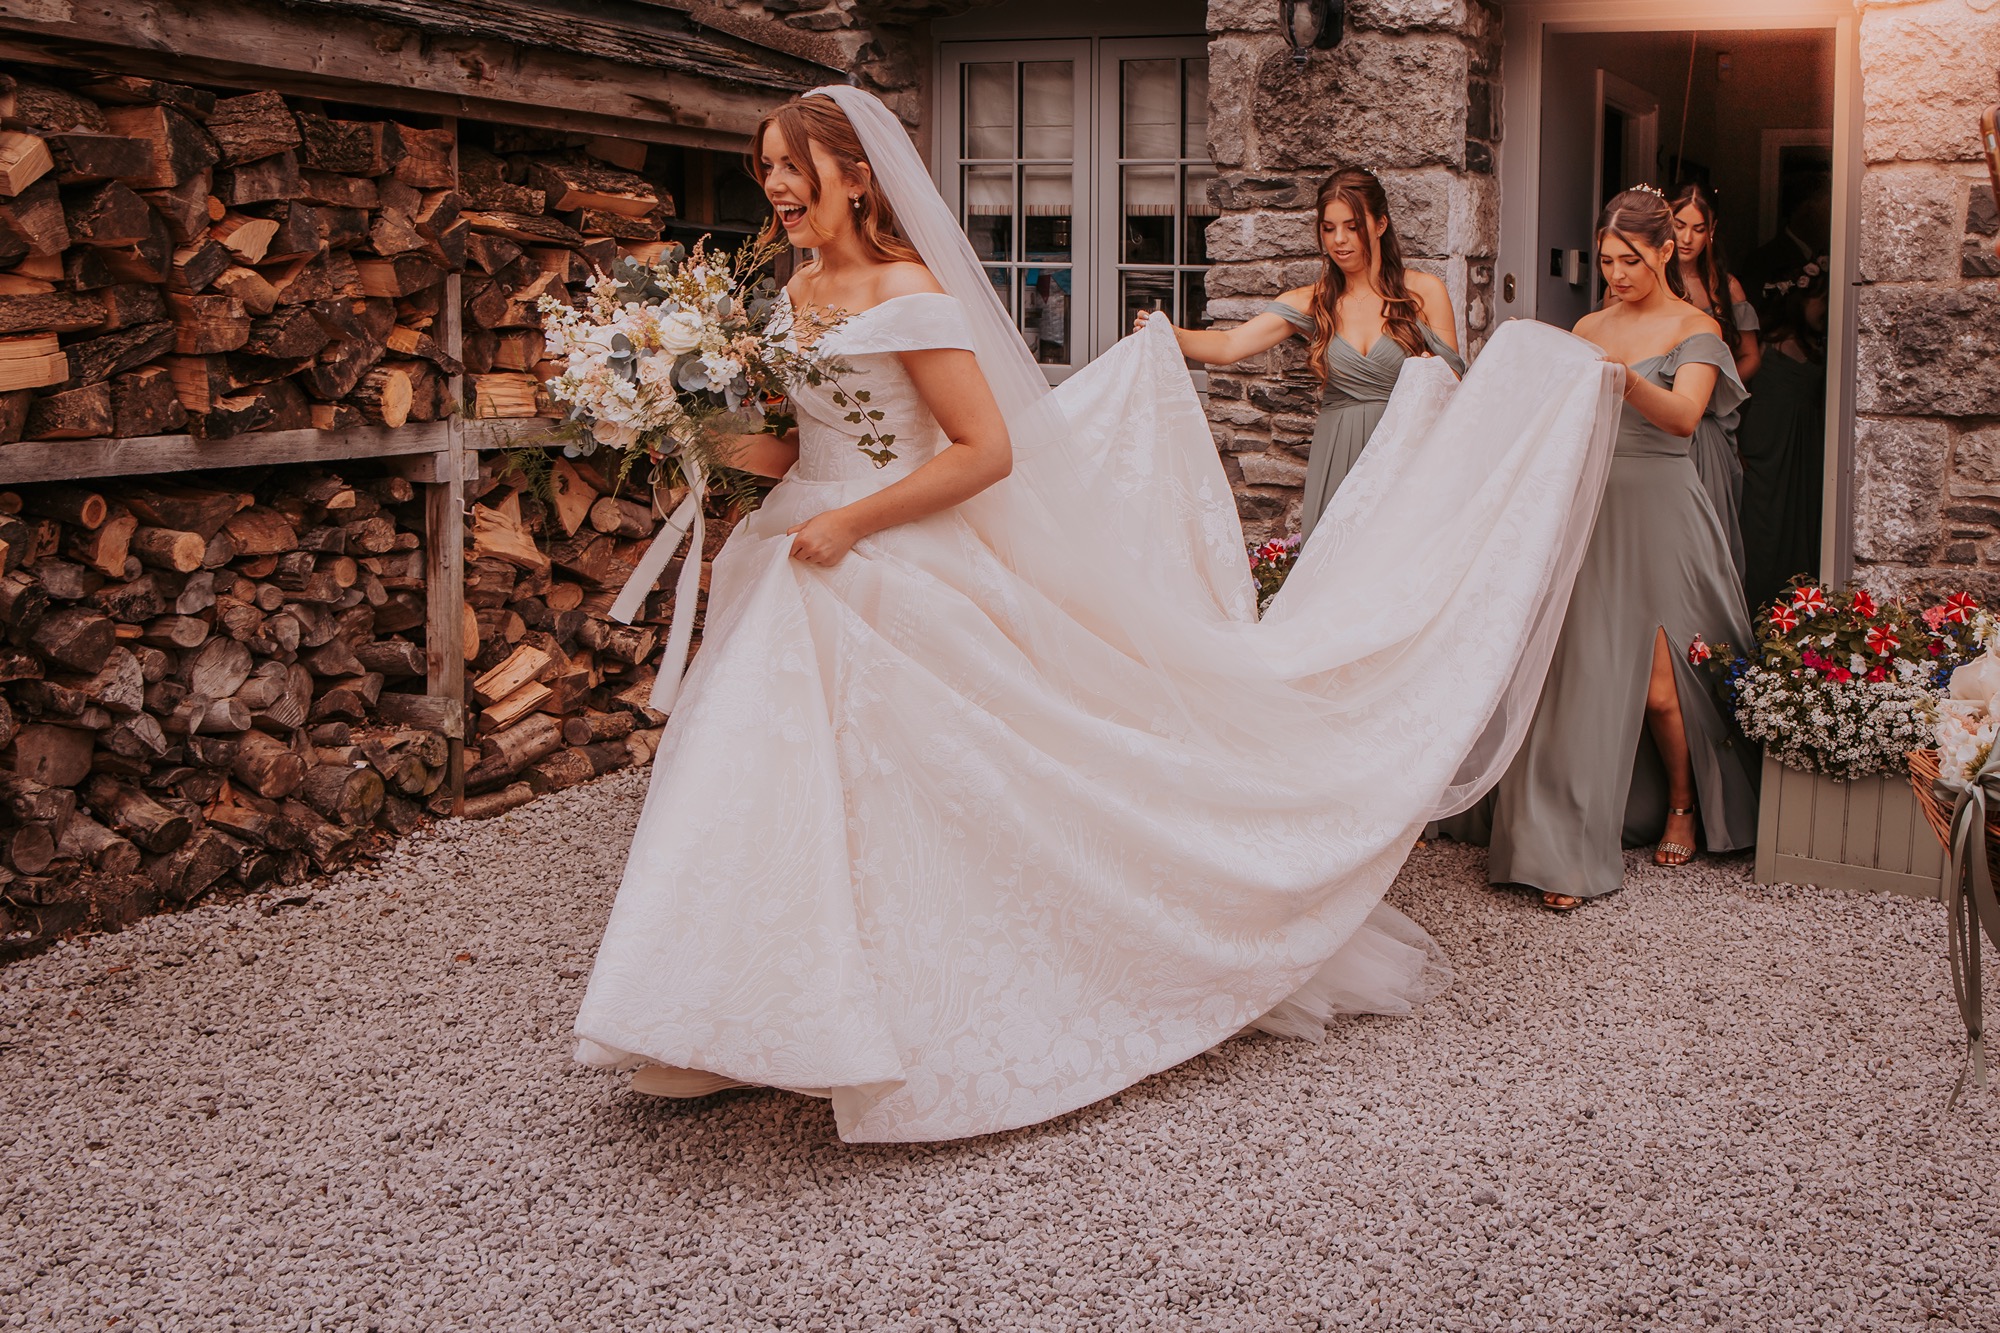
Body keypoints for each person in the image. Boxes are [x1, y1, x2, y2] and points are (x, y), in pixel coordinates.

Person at [571, 86, 1624, 1143]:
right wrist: (685, 431)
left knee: (914, 796)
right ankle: (725, 1013)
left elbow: (985, 451)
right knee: (760, 774)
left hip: (881, 554)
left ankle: (890, 1007)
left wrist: (853, 523)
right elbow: (801, 445)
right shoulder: (794, 293)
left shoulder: (910, 290)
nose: (778, 187)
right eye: (764, 171)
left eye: (792, 165)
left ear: (855, 174)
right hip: (795, 550)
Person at [1450, 187, 1758, 911]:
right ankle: (1564, 839)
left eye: (1629, 259)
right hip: (1592, 506)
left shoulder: (1697, 327)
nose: (1615, 273)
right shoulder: (1589, 323)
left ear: (1661, 251)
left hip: (1663, 510)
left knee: (1661, 687)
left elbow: (1685, 417)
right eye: (1608, 259)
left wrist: (1621, 382)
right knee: (1583, 673)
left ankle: (1684, 802)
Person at [1141, 168, 1461, 543]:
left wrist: (1428, 374)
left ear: (1380, 225)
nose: (1339, 240)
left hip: (1406, 454)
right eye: (1328, 228)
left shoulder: (1424, 293)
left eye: (1352, 226)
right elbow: (1229, 346)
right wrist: (1169, 333)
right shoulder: (1314, 300)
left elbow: (1455, 384)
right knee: (1335, 569)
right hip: (1339, 451)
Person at [1658, 182, 1757, 580]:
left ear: (1711, 231)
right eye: (1680, 225)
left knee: (1712, 524)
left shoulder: (1726, 288)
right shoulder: (1649, 282)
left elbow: (1751, 356)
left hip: (1713, 421)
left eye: (1698, 229)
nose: (1687, 238)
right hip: (1661, 415)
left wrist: (1711, 389)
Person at [1738, 255, 1830, 611]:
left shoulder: (1821, 346)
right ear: (1800, 299)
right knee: (1763, 529)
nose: (1825, 309)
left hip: (1805, 448)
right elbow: (1737, 394)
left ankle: (1799, 608)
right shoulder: (1763, 345)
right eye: (1820, 300)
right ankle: (1758, 609)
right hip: (1766, 447)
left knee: (1801, 525)